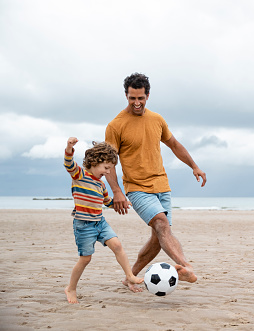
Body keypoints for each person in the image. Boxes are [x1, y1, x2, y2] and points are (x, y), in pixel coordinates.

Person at [105, 72, 206, 291]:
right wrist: (117, 191)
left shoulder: (157, 119)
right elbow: (109, 163)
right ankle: (186, 267)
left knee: (158, 238)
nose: (137, 103)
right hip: (137, 187)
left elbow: (175, 145)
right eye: (132, 98)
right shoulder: (116, 125)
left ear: (148, 95)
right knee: (161, 223)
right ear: (126, 96)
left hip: (162, 186)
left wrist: (194, 166)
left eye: (140, 98)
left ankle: (129, 277)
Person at [63, 137, 144, 304]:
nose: (108, 172)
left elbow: (107, 202)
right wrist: (69, 148)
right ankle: (70, 288)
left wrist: (120, 203)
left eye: (111, 169)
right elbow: (69, 163)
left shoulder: (101, 185)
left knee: (117, 245)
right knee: (85, 259)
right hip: (84, 225)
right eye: (106, 168)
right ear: (94, 162)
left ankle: (129, 275)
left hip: (100, 222)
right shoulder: (80, 175)